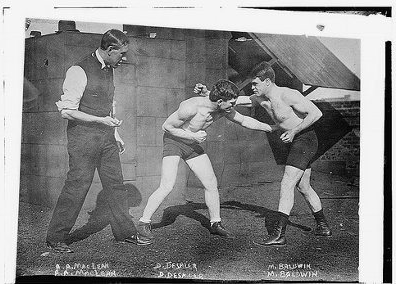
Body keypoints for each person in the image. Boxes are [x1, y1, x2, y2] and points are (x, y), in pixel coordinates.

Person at [195, 62, 332, 246]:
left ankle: (279, 234)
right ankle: (323, 226)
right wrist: (208, 93)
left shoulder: (288, 95)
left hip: (305, 139)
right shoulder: (261, 99)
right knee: (304, 187)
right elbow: (237, 100)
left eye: (255, 83)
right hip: (294, 141)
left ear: (267, 81)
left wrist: (294, 131)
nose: (252, 87)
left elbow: (316, 113)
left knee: (287, 183)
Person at [130, 79, 276, 245]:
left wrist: (273, 128)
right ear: (220, 101)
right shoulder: (191, 107)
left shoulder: (223, 109)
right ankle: (144, 222)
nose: (233, 106)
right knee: (167, 185)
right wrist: (192, 136)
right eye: (231, 103)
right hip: (174, 142)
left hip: (192, 144)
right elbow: (167, 127)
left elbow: (244, 120)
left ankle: (215, 223)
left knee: (211, 183)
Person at [46, 29, 140, 253]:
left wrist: (115, 134)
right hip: (83, 138)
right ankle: (55, 237)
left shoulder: (109, 68)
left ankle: (125, 233)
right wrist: (100, 121)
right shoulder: (78, 70)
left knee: (116, 185)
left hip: (106, 138)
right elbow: (67, 111)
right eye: (121, 54)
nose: (124, 59)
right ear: (109, 50)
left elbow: (109, 105)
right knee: (77, 185)